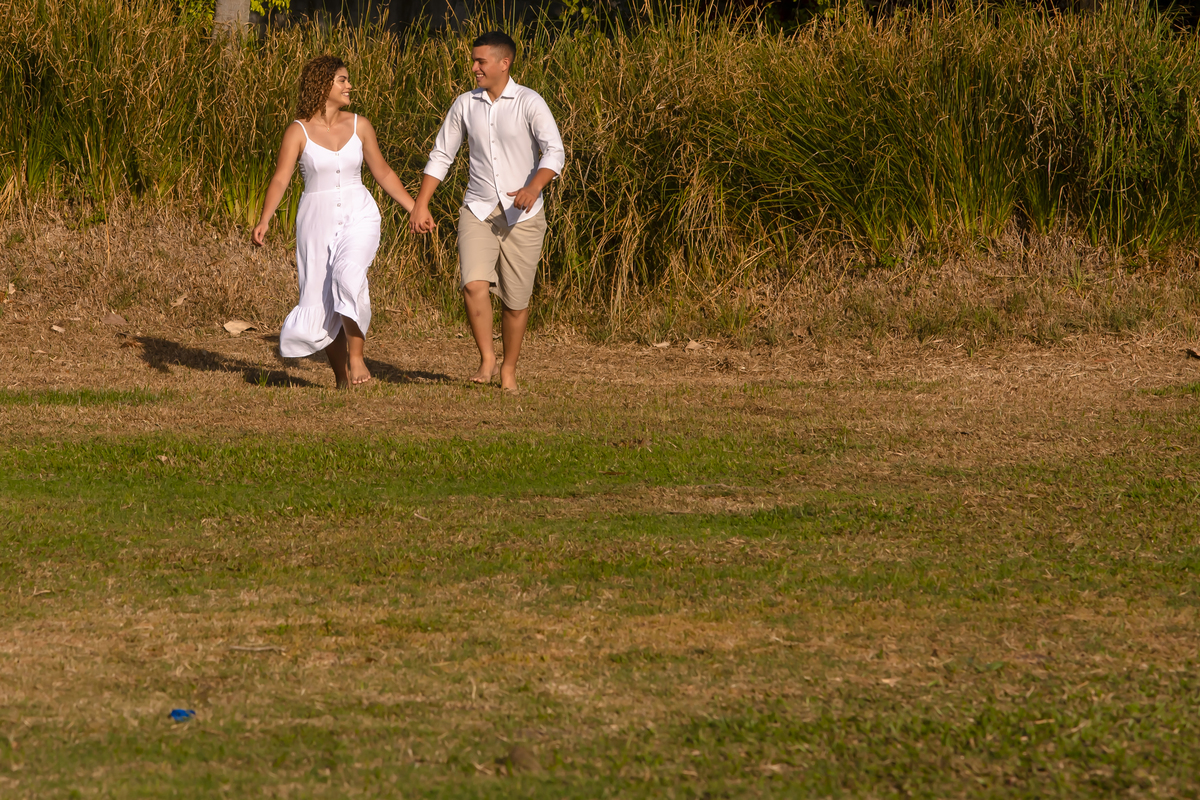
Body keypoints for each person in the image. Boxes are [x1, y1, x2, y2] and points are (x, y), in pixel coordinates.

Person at [410, 31, 565, 391]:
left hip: (523, 216)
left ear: (504, 63)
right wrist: (421, 203)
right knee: (473, 284)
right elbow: (442, 154)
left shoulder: (529, 102)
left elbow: (554, 151)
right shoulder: (465, 104)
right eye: (474, 61)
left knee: (516, 302)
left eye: (481, 61)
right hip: (477, 210)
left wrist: (533, 187)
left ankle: (509, 369)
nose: (474, 68)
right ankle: (487, 358)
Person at [252, 55, 415, 388]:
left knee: (348, 275)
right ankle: (341, 377)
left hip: (359, 213)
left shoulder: (360, 125)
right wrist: (265, 218)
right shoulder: (298, 131)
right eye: (342, 79)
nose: (349, 85)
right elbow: (281, 178)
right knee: (324, 298)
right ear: (322, 84)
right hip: (317, 221)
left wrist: (415, 208)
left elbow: (383, 172)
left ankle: (357, 357)